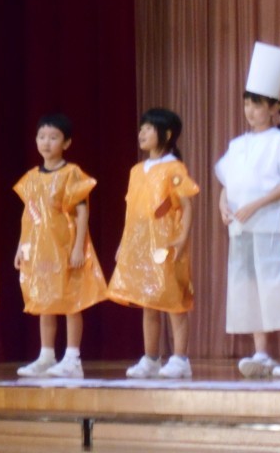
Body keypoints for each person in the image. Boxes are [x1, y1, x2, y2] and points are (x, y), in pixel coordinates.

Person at [215, 42, 280, 379]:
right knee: (247, 287)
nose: (250, 110)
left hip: (269, 225)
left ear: (274, 107)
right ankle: (261, 353)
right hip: (240, 227)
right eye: (247, 103)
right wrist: (223, 204)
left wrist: (255, 204)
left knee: (277, 285)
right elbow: (227, 181)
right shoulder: (238, 144)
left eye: (257, 104)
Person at [107, 108, 199, 379]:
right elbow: (132, 211)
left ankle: (180, 359)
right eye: (141, 128)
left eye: (148, 128)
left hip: (167, 243)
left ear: (166, 134)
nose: (142, 133)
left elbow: (186, 205)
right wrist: (125, 242)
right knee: (148, 301)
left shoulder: (174, 168)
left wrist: (182, 237)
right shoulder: (137, 170)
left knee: (174, 302)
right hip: (141, 244)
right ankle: (151, 358)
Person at [13, 114, 106, 379]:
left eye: (53, 137)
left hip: (65, 246)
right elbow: (28, 215)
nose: (46, 142)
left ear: (66, 143)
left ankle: (72, 358)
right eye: (42, 136)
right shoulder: (31, 177)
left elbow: (82, 212)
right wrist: (21, 247)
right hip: (40, 249)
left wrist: (78, 248)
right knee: (45, 301)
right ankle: (46, 356)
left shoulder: (71, 173)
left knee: (71, 300)